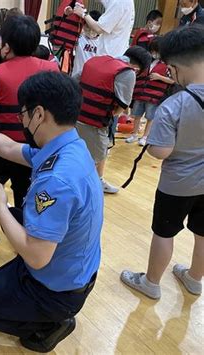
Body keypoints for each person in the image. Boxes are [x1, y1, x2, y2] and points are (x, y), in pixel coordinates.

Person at [0, 71, 103, 353]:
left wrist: (0, 205)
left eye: (23, 113)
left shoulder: (57, 178)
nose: (21, 120)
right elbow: (7, 146)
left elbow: (37, 256)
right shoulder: (70, 145)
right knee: (21, 219)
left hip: (56, 290)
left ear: (39, 114)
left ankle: (49, 323)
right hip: (74, 270)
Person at [121, 25, 204, 299]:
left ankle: (151, 283)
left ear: (174, 67)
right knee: (203, 233)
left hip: (178, 185)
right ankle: (194, 279)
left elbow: (161, 152)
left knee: (164, 232)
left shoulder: (175, 105)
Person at [0, 15, 60, 248]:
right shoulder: (52, 68)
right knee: (27, 192)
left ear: (7, 44)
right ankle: (23, 232)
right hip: (37, 149)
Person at [75, 46, 152, 194]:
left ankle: (98, 180)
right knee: (94, 156)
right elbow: (123, 105)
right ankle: (86, 188)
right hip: (95, 120)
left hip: (74, 114)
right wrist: (109, 115)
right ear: (137, 67)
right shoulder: (128, 72)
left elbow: (75, 80)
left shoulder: (96, 60)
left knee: (92, 151)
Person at [126, 38, 174, 146]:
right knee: (136, 115)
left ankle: (145, 136)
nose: (154, 53)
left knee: (150, 117)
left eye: (156, 50)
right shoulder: (147, 61)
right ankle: (134, 134)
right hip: (140, 94)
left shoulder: (167, 65)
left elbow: (172, 81)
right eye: (152, 50)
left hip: (154, 96)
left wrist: (160, 77)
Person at [71, 10, 102, 78]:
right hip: (76, 77)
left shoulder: (103, 42)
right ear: (84, 25)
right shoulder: (78, 37)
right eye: (88, 27)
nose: (90, 31)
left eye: (93, 29)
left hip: (92, 78)